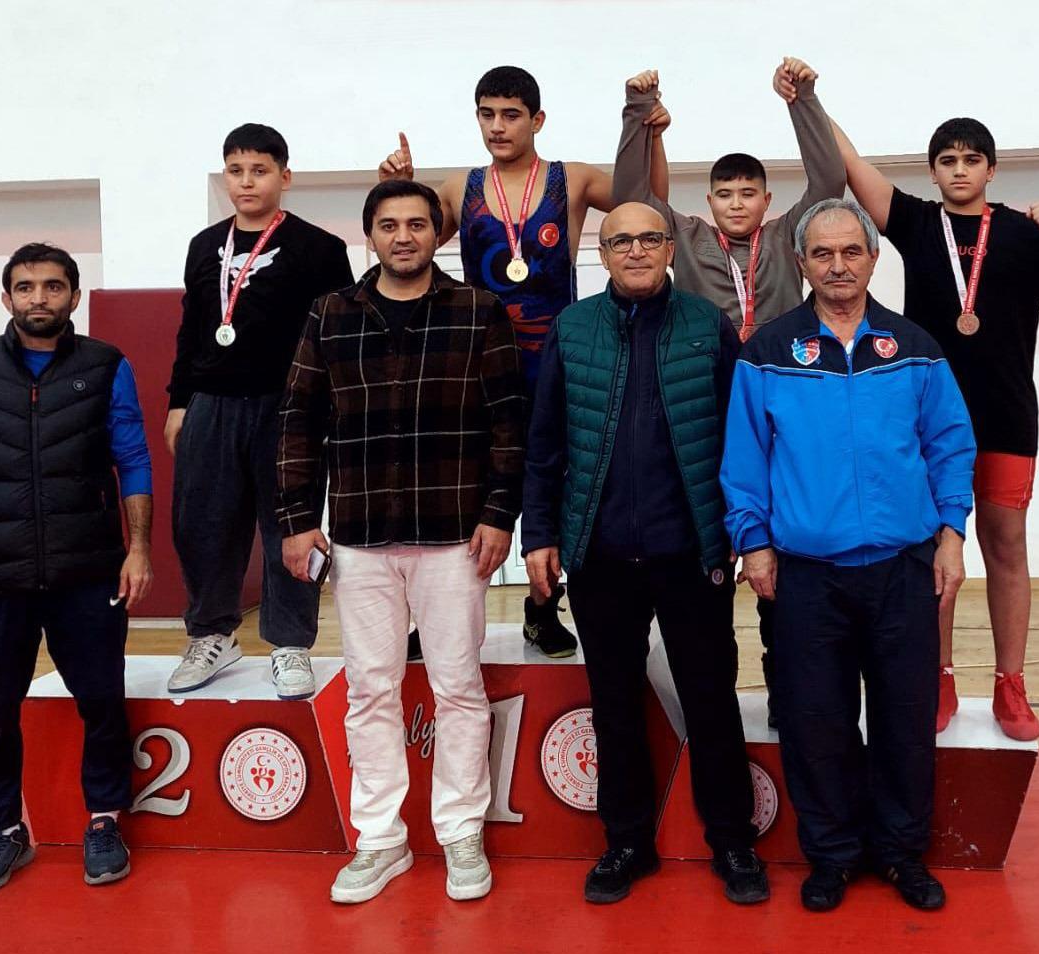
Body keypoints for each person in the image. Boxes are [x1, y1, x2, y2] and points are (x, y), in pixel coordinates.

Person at [722, 199, 977, 912]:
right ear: (801, 263)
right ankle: (832, 856)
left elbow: (950, 445)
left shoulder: (916, 347)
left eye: (851, 251)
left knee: (905, 719)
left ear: (872, 257)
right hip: (806, 575)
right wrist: (754, 543)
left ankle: (899, 853)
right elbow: (744, 460)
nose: (838, 266)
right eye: (823, 254)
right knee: (816, 721)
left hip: (904, 569)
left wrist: (952, 533)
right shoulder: (768, 352)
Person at [276, 180, 525, 904]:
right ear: (371, 236)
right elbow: (298, 420)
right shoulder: (329, 314)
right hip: (359, 536)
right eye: (389, 225)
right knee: (370, 691)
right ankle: (380, 839)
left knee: (459, 689)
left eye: (417, 224)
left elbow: (510, 423)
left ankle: (460, 832)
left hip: (454, 536)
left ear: (437, 235)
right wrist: (297, 518)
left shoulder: (478, 311)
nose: (404, 236)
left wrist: (500, 513)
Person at [829, 112, 1039, 739]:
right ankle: (938, 677)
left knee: (1006, 548)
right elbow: (852, 165)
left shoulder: (1024, 233)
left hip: (1007, 420)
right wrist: (811, 98)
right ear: (932, 172)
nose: (959, 170)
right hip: (929, 427)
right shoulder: (915, 223)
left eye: (971, 160)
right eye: (947, 161)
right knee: (937, 553)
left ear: (991, 169)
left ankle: (1011, 684)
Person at [523, 201, 768, 906]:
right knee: (614, 704)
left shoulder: (707, 326)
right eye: (621, 240)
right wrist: (539, 534)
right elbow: (545, 444)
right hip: (599, 557)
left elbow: (742, 441)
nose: (636, 250)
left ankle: (732, 841)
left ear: (670, 250)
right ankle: (626, 843)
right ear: (602, 255)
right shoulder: (572, 329)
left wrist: (743, 533)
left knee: (710, 699)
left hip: (691, 552)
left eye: (649, 238)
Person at [378, 66, 667, 659]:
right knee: (465, 485)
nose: (497, 126)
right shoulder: (459, 187)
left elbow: (645, 204)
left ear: (537, 120)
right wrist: (400, 190)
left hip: (555, 360)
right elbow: (413, 245)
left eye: (510, 115)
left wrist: (653, 139)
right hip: (477, 361)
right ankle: (434, 615)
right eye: (487, 115)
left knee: (555, 481)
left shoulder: (572, 179)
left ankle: (542, 608)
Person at [614, 56, 845, 726]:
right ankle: (711, 692)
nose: (737, 203)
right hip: (708, 415)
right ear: (709, 201)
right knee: (709, 557)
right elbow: (631, 195)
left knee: (782, 557)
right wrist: (637, 113)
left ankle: (786, 690)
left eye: (749, 193)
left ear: (767, 201)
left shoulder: (789, 236)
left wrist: (803, 100)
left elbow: (829, 181)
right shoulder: (684, 237)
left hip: (781, 413)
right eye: (725, 194)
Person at [0, 243, 153, 891]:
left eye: (53, 286)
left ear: (74, 296)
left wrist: (138, 548)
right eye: (26, 287)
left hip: (88, 570)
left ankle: (104, 821)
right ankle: (4, 831)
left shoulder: (106, 365)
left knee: (101, 703)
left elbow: (133, 458)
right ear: (7, 298)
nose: (39, 298)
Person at [165, 123, 354, 699]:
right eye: (236, 170)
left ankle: (291, 643)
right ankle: (211, 634)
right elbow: (192, 330)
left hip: (288, 408)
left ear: (284, 176)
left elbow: (338, 338)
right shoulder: (204, 246)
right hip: (211, 405)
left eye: (259, 170)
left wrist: (330, 411)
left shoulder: (320, 249)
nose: (246, 182)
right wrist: (179, 402)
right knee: (203, 526)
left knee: (290, 528)